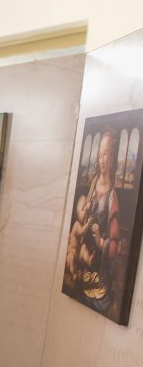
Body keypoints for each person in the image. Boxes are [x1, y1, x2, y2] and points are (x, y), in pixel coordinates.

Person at [78, 127, 121, 311]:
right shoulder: (94, 184)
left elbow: (114, 245)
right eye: (100, 154)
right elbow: (85, 217)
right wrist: (86, 211)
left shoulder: (112, 198)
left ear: (112, 158)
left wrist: (100, 241)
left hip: (100, 273)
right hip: (87, 262)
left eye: (107, 154)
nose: (102, 159)